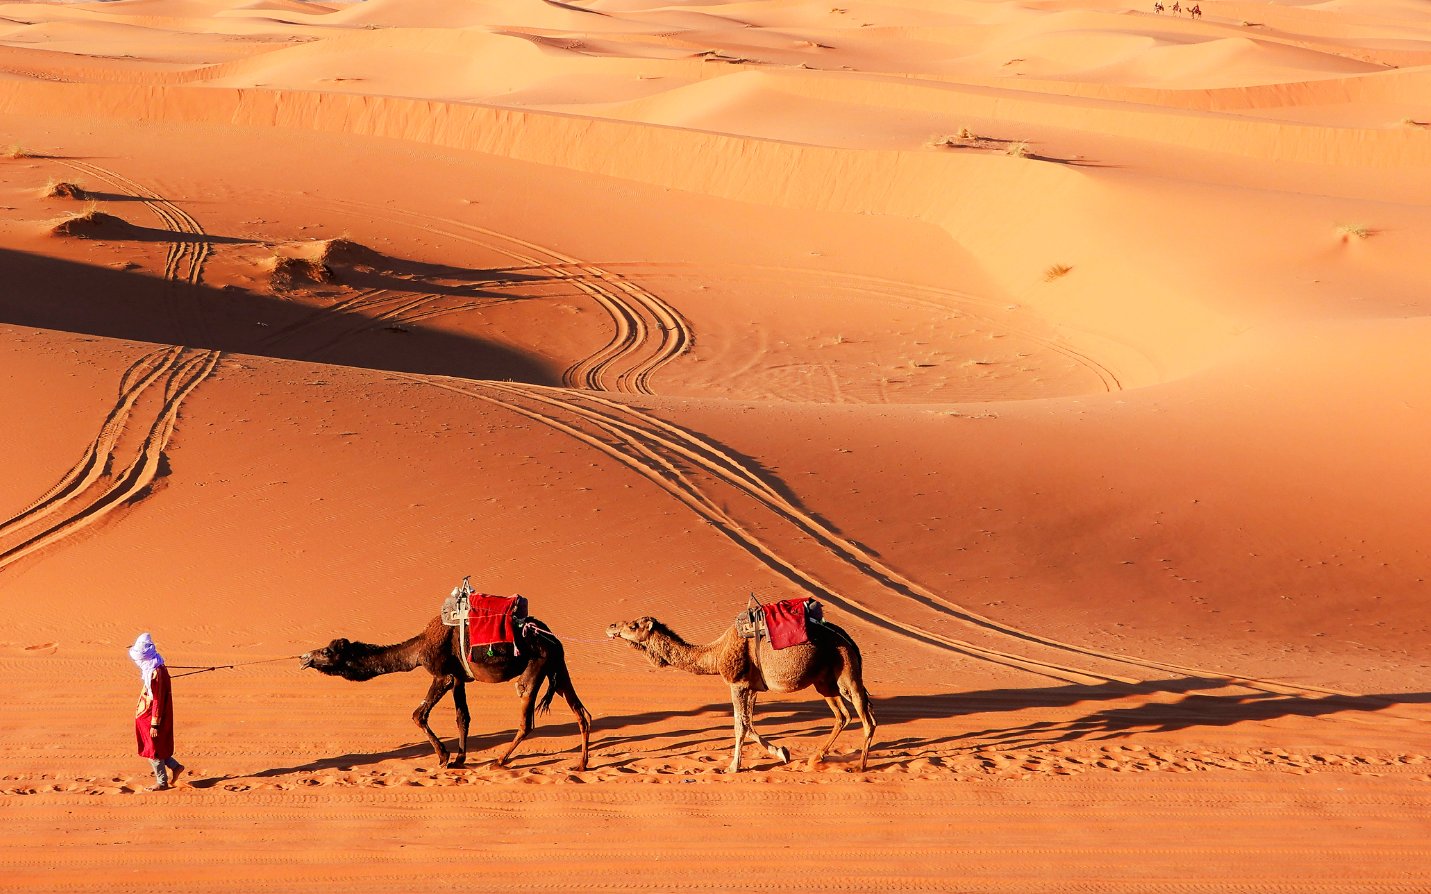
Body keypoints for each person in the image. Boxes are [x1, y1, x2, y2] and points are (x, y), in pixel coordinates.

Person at [129, 633, 183, 791]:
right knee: (155, 747)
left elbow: (158, 699)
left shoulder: (156, 672)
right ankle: (175, 766)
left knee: (153, 750)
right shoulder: (154, 666)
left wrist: (155, 724)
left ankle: (162, 782)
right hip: (147, 714)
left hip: (153, 718)